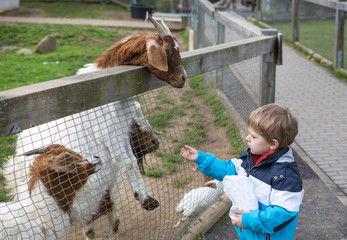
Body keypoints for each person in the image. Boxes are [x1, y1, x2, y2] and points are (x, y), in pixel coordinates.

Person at [180, 103, 304, 240]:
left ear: (273, 144)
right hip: (250, 232)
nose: (247, 138)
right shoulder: (250, 158)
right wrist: (201, 158)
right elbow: (228, 170)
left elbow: (283, 213)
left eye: (254, 136)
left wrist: (248, 221)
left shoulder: (285, 176)